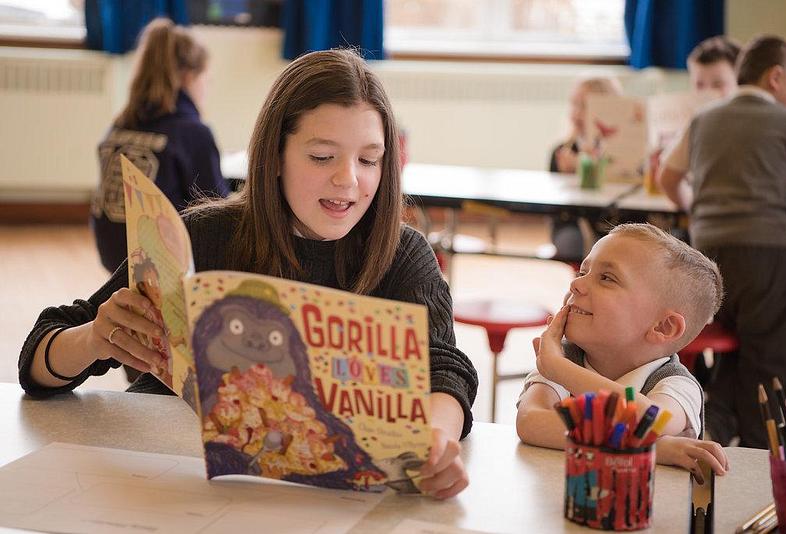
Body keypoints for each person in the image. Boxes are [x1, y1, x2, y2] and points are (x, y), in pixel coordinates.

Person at [19, 48, 478, 500]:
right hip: (177, 483)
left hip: (325, 497)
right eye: (322, 157)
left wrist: (436, 440)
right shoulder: (205, 235)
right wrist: (95, 339)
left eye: (369, 160)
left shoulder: (401, 254)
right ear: (275, 157)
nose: (349, 180)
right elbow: (38, 358)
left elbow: (446, 369)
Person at [658, 35, 786, 448]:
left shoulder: (704, 120)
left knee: (736, 348)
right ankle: (760, 458)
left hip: (708, 258)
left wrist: (695, 210)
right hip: (767, 257)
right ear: (777, 77)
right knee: (773, 359)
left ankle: (714, 422)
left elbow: (669, 176)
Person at [516, 223, 729, 481]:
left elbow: (651, 420)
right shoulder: (563, 360)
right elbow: (531, 422)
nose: (576, 284)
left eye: (606, 278)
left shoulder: (676, 384)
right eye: (583, 271)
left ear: (663, 326)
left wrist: (560, 370)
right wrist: (651, 447)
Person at [90, 17, 230, 274]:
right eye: (206, 80)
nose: (206, 89)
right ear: (189, 77)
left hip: (113, 257)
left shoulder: (120, 124)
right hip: (159, 262)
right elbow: (218, 211)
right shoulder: (193, 133)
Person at [548, 76, 623, 261]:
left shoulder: (624, 154)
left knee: (618, 248)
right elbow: (556, 205)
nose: (577, 113)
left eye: (585, 106)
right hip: (572, 224)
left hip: (615, 224)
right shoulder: (561, 151)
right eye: (574, 104)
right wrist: (571, 176)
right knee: (571, 244)